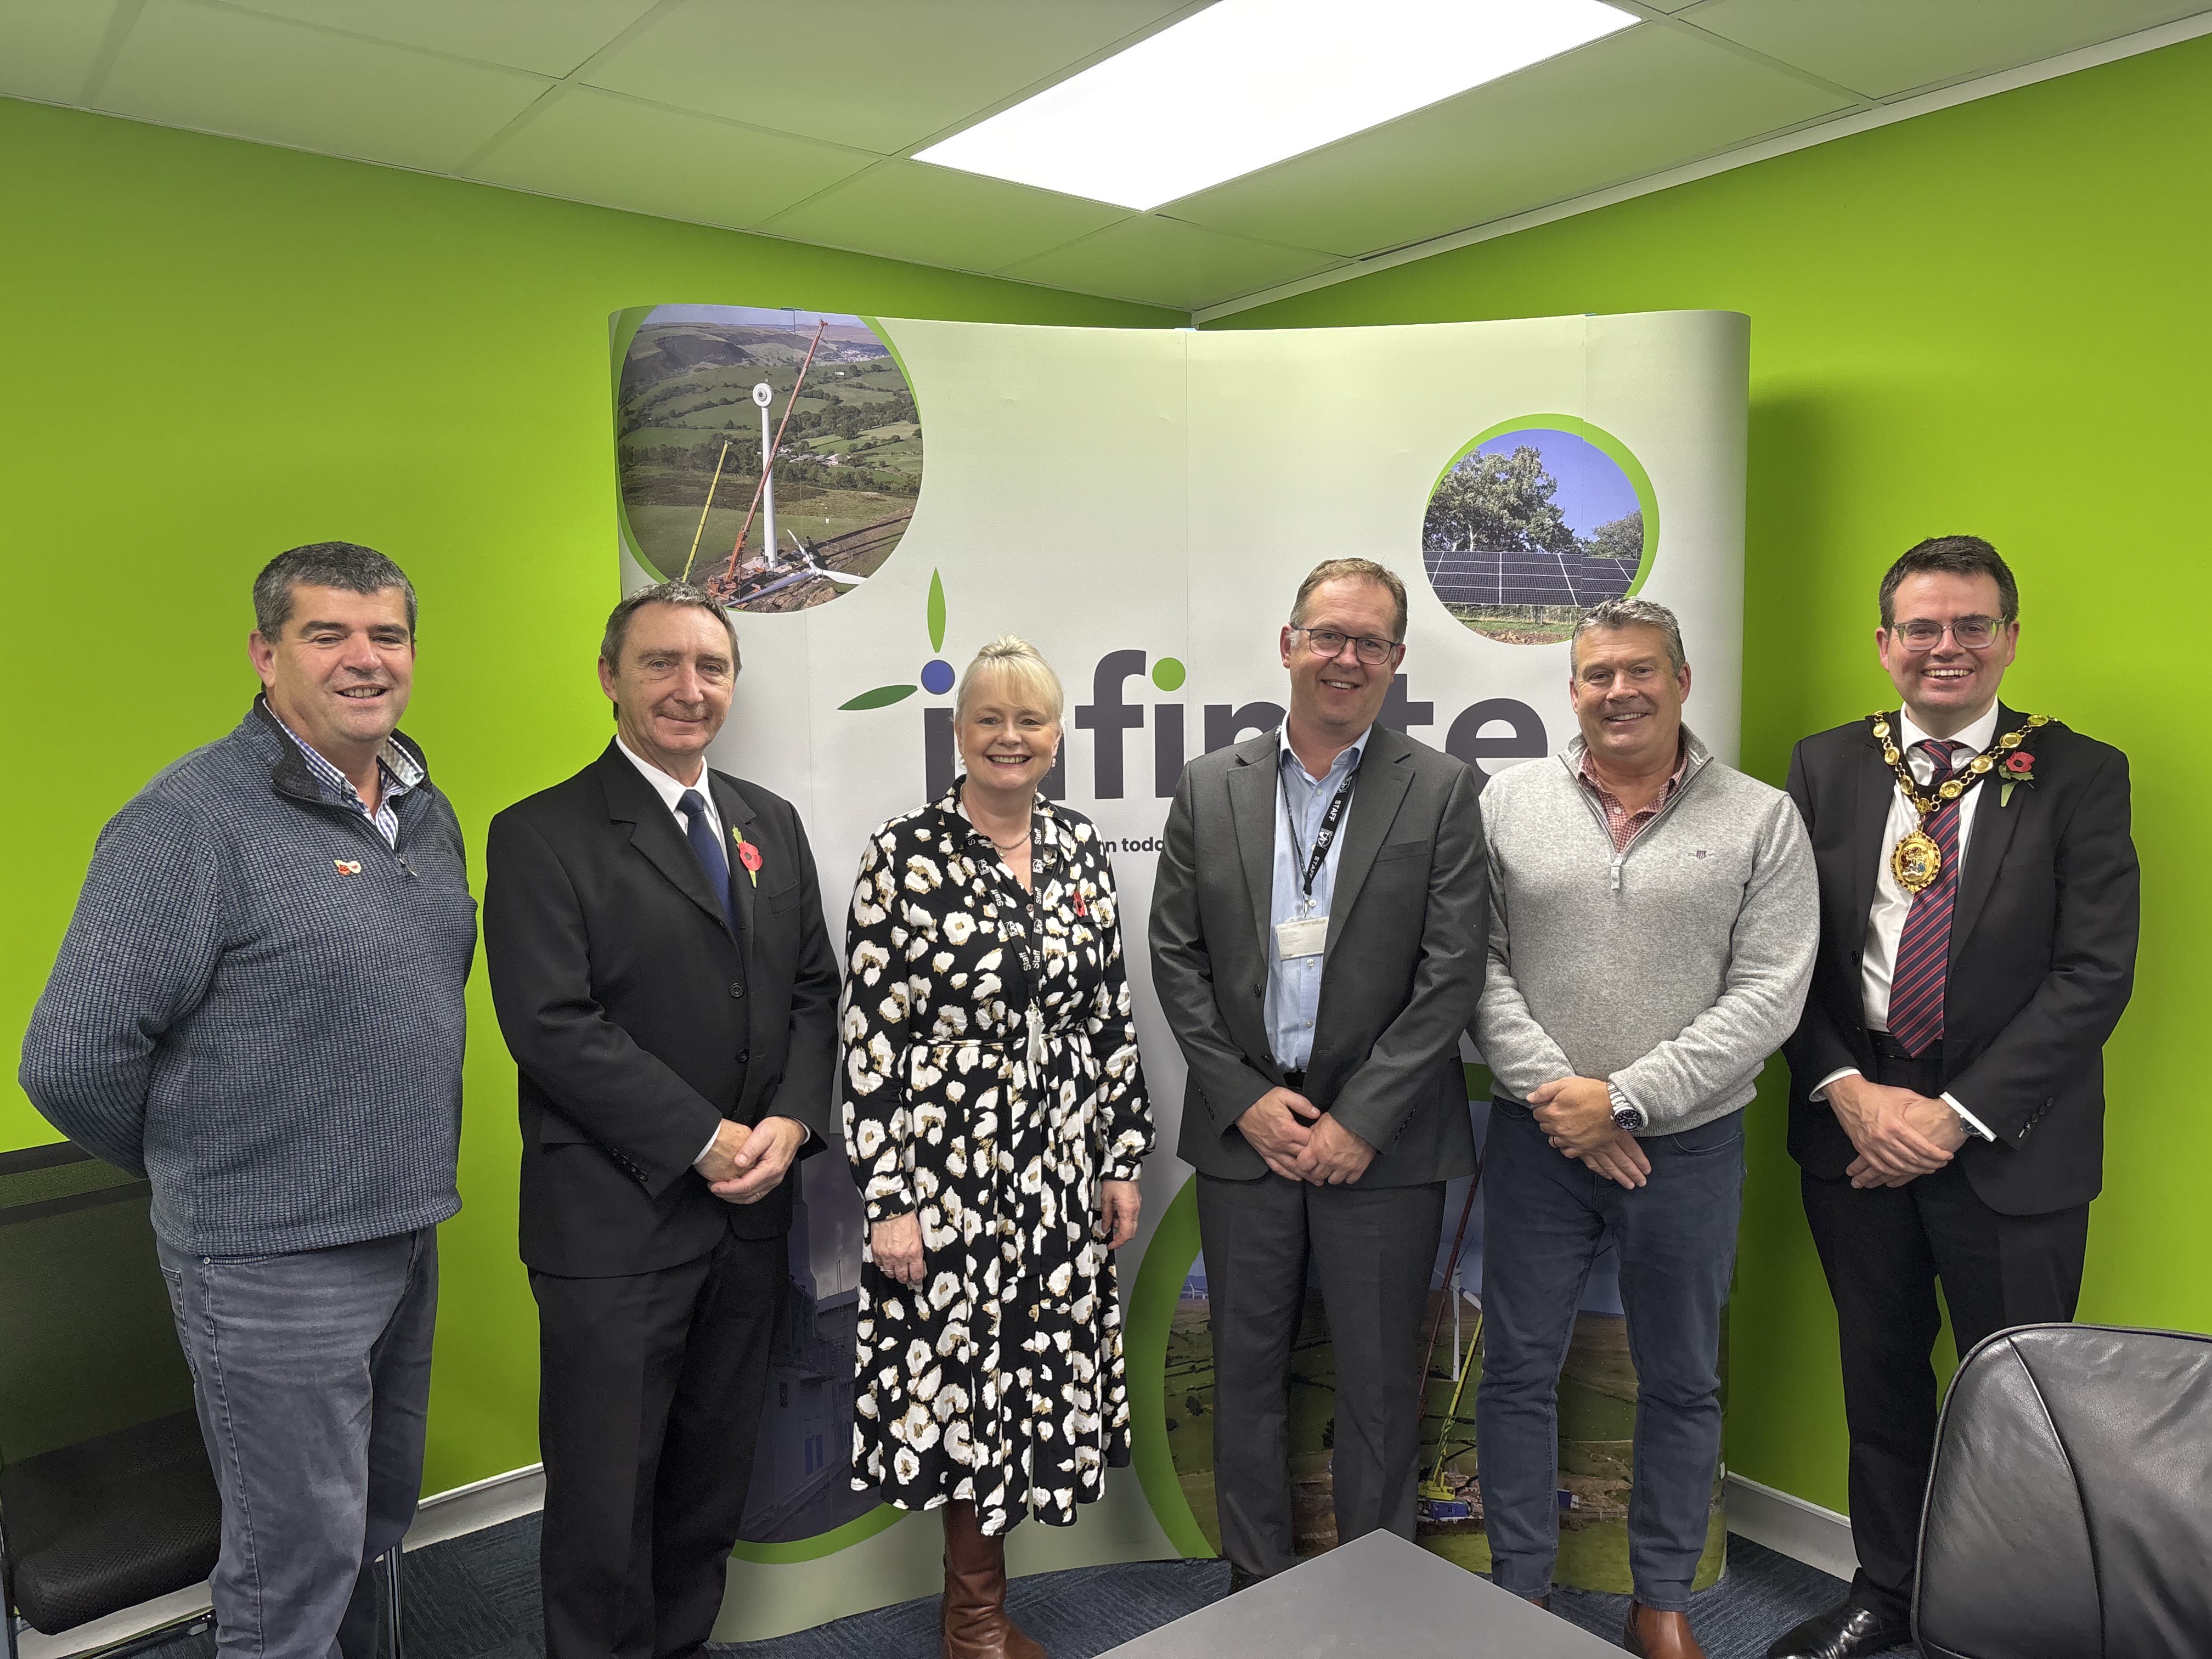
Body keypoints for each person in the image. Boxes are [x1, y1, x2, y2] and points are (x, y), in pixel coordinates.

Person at [20, 541, 473, 1658]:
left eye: (388, 634)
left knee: (371, 1525)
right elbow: (69, 1057)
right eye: (329, 634)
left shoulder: (419, 805)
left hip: (402, 1231)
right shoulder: (189, 822)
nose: (365, 659)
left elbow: (421, 986)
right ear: (267, 655)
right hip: (267, 1264)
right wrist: (205, 1160)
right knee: (291, 1563)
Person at [1766, 538, 2137, 1659]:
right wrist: (1847, 1090)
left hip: (2008, 1138)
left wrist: (1951, 1114)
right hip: (1856, 1121)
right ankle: (1889, 1592)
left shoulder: (2077, 771)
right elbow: (1785, 956)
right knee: (1879, 1376)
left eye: (1972, 625)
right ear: (1885, 645)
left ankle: (2015, 1624)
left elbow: (2094, 973)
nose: (1947, 648)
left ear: (2010, 641)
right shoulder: (1827, 766)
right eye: (1922, 628)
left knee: (2023, 1400)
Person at [483, 580, 838, 1659]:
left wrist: (789, 1122)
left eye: (713, 667)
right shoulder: (540, 835)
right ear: (610, 678)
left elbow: (812, 991)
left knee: (703, 1495)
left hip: (749, 1220)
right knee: (603, 1510)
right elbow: (551, 1026)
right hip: (614, 1231)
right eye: (661, 664)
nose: (691, 689)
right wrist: (705, 1138)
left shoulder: (765, 822)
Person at [1472, 597, 1818, 1659]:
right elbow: (1473, 966)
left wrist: (1624, 1100)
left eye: (1639, 671)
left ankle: (1660, 1595)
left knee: (1681, 1377)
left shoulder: (1761, 819)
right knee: (1518, 1370)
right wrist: (1564, 1101)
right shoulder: (1506, 802)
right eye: (1595, 675)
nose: (1617, 691)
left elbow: (1769, 994)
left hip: (1691, 1149)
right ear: (1570, 688)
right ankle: (1520, 1587)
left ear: (1681, 678)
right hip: (1536, 1141)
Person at [1149, 557, 1487, 1590]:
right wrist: (1248, 1103)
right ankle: (1257, 1590)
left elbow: (1451, 975)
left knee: (1383, 1388)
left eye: (1369, 643)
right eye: (1328, 635)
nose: (1346, 658)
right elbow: (1176, 958)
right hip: (1247, 1141)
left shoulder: (1441, 789)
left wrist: (1359, 1120)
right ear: (1288, 643)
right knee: (1246, 1377)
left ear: (1394, 663)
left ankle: (1375, 1594)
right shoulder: (1213, 785)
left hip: (1380, 1149)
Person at [841, 636, 1153, 1659]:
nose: (1010, 737)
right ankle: (972, 1624)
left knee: (1028, 1378)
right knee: (966, 1380)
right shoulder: (903, 852)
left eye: (1030, 720)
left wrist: (1119, 1156)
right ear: (958, 730)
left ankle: (978, 1615)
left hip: (1057, 1167)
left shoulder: (1076, 848)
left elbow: (1108, 1014)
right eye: (990, 719)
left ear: (1058, 738)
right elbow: (869, 1039)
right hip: (945, 1173)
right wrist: (888, 1198)